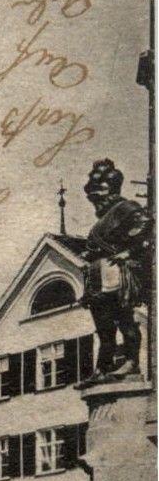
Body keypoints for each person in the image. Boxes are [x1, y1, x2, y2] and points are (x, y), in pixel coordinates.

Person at [81, 159, 153, 377]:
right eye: (92, 191)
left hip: (118, 274)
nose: (95, 197)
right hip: (97, 277)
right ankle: (102, 368)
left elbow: (146, 230)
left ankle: (132, 362)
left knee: (125, 319)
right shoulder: (101, 220)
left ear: (111, 188)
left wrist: (127, 252)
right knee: (103, 327)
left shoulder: (127, 208)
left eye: (99, 190)